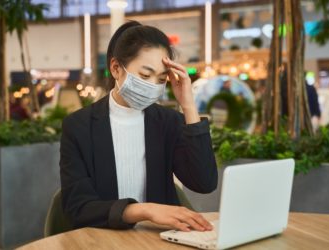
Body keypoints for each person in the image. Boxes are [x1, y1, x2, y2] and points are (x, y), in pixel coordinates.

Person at [60, 21, 217, 232]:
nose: (152, 85)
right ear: (116, 68)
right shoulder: (79, 126)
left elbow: (204, 183)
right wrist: (144, 210)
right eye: (145, 75)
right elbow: (78, 208)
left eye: (161, 79)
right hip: (104, 238)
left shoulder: (168, 122)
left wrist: (188, 105)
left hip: (159, 239)